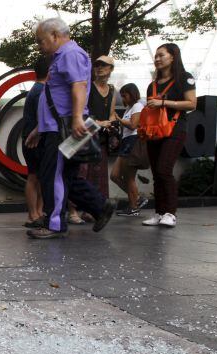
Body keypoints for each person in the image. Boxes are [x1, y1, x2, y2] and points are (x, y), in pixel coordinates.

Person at [24, 18, 114, 239]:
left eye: (41, 41)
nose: (39, 46)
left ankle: (54, 224)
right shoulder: (61, 57)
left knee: (52, 175)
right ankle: (100, 206)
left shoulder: (70, 54)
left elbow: (79, 87)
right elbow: (56, 97)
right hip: (58, 126)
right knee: (66, 177)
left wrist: (76, 118)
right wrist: (39, 128)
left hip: (64, 128)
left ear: (54, 35)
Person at [141, 43, 197, 228]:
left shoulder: (184, 78)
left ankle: (170, 213)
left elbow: (191, 104)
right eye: (156, 56)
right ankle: (159, 212)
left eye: (161, 55)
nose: (157, 59)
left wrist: (164, 102)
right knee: (157, 172)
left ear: (173, 57)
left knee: (164, 169)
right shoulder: (152, 85)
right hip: (154, 132)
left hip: (175, 130)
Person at [22, 55, 50, 228]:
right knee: (34, 177)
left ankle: (37, 213)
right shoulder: (41, 91)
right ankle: (34, 214)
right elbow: (44, 117)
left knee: (38, 176)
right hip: (35, 140)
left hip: (33, 138)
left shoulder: (37, 89)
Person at [112, 83, 148, 216]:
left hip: (133, 141)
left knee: (129, 177)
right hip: (126, 142)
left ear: (132, 94)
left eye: (125, 95)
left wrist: (119, 119)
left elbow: (133, 125)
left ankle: (133, 207)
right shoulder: (129, 108)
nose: (123, 99)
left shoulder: (138, 106)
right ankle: (137, 198)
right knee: (115, 175)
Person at [85, 55, 118, 199]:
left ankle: (93, 209)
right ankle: (73, 212)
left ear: (111, 69)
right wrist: (99, 123)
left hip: (101, 137)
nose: (99, 68)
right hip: (83, 133)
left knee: (99, 174)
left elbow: (111, 114)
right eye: (97, 65)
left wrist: (110, 123)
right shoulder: (87, 86)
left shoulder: (112, 90)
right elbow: (79, 113)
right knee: (80, 173)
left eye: (103, 65)